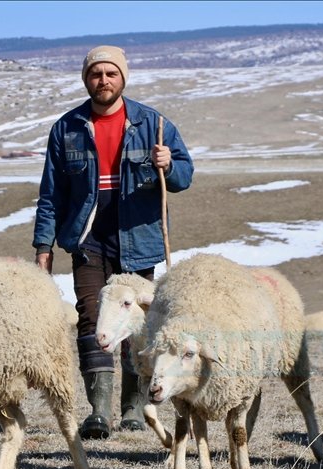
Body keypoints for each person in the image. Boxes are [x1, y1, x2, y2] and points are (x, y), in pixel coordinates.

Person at [32, 45, 194, 440]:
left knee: (135, 326)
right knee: (91, 320)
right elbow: (51, 194)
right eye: (95, 74)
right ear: (86, 79)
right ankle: (99, 412)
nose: (103, 80)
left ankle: (134, 409)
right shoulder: (67, 128)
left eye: (110, 74)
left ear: (123, 78)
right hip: (87, 242)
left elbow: (185, 176)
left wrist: (168, 164)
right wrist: (44, 246)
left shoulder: (152, 123)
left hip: (137, 239)